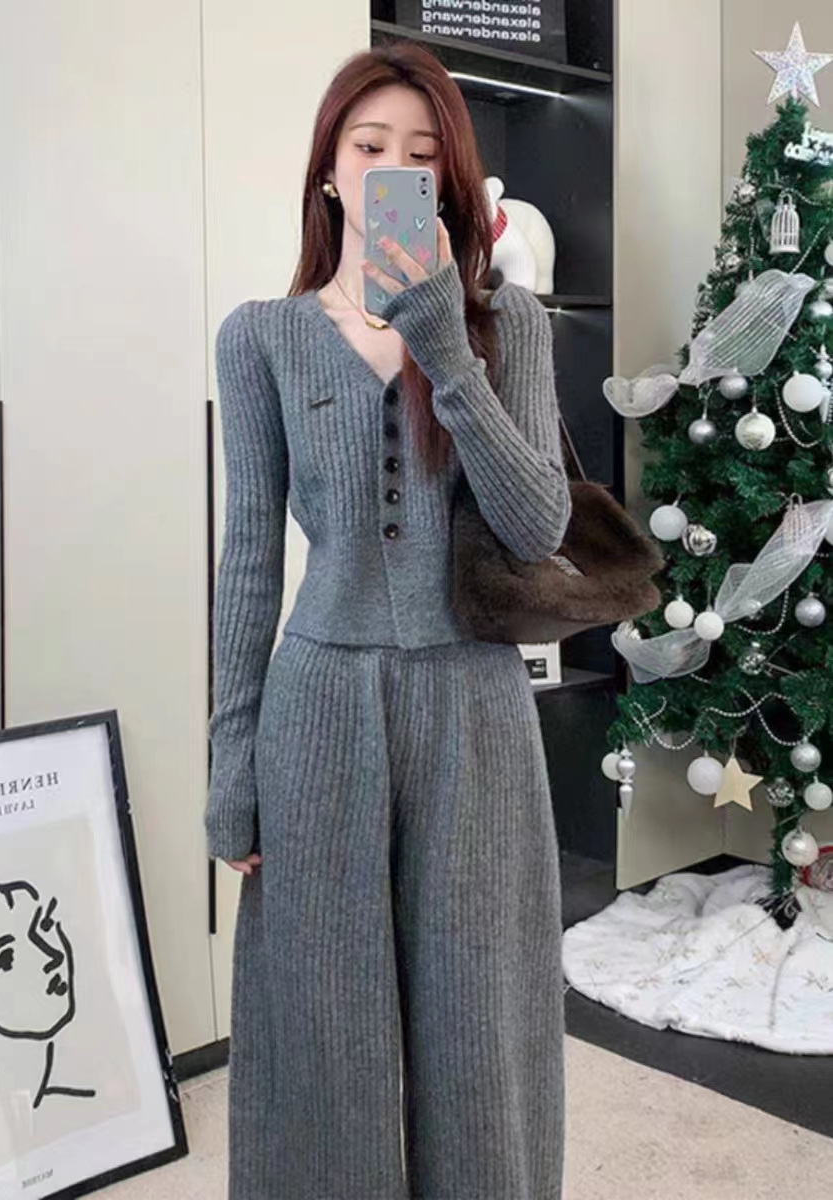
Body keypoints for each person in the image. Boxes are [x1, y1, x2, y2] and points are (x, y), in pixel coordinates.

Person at [205, 38, 572, 1200]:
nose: (391, 170)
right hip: (316, 710)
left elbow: (537, 528)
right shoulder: (260, 336)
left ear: (449, 182)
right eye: (369, 147)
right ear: (328, 170)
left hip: (474, 710)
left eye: (420, 154)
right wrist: (230, 762)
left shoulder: (511, 327)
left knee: (479, 1023)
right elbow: (249, 560)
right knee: (325, 1024)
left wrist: (445, 347)